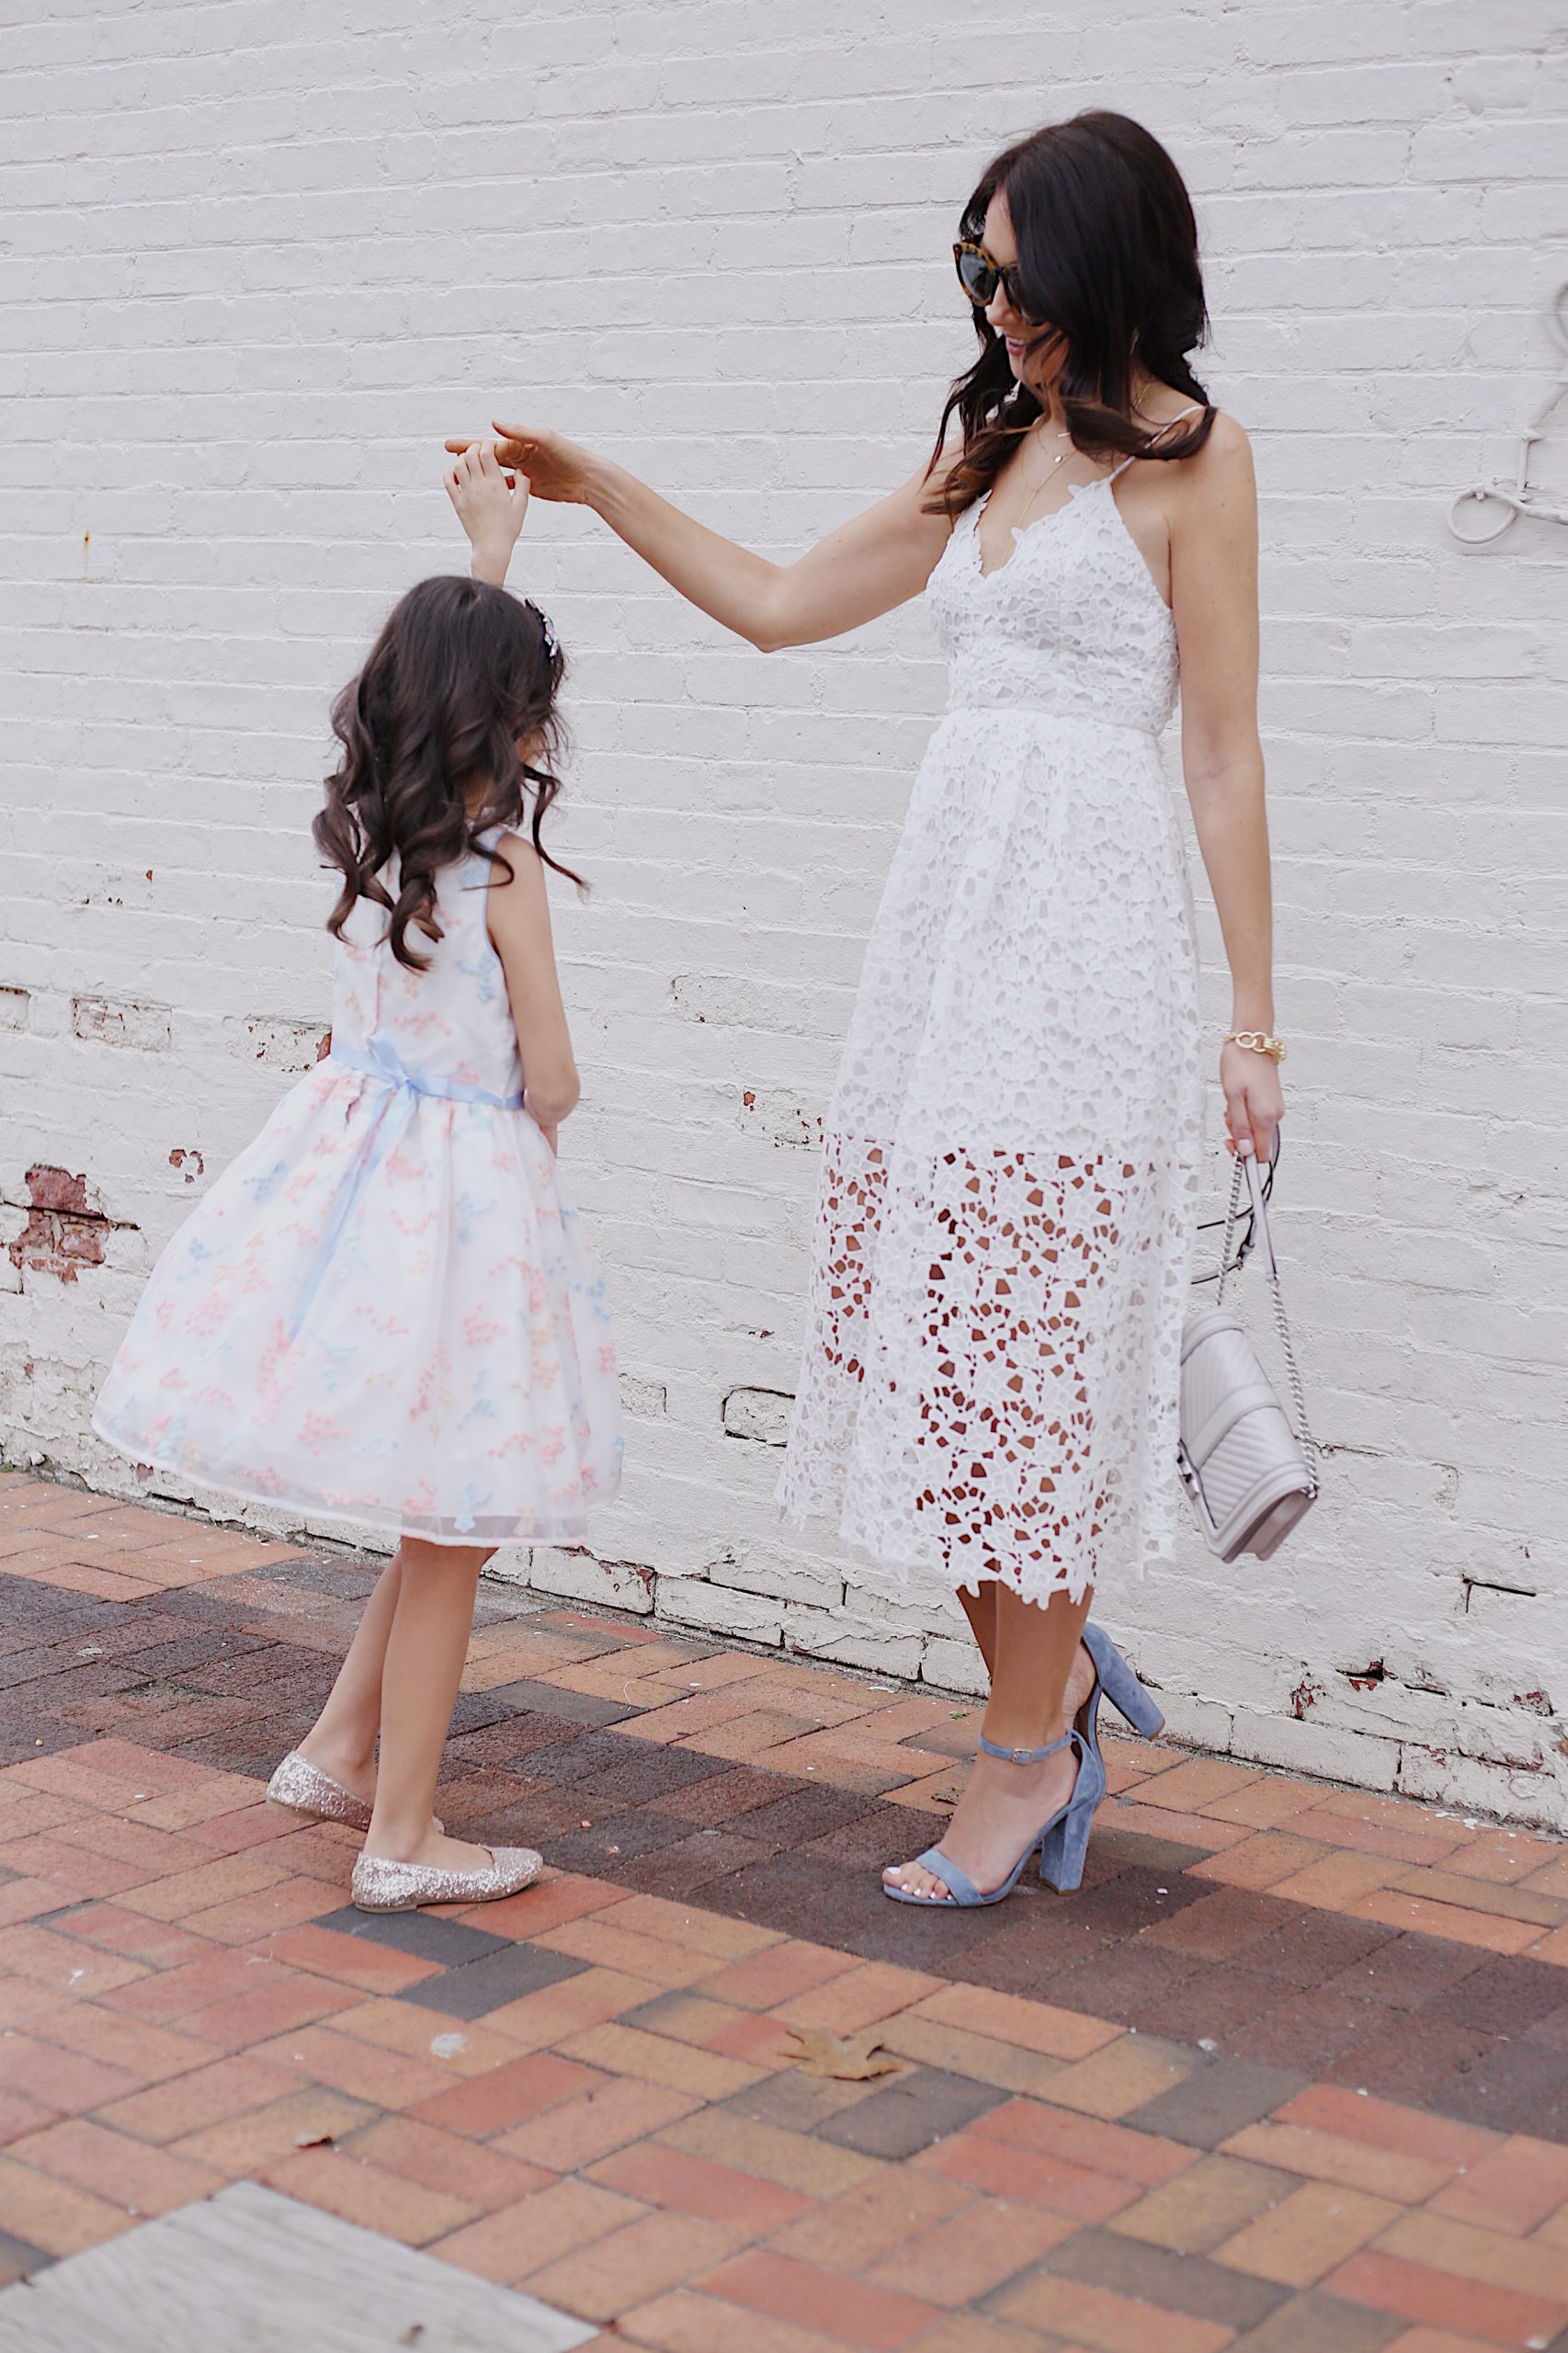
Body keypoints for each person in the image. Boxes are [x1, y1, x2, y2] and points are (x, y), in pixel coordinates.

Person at [448, 110, 1283, 1908]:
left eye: (1017, 272)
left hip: (1087, 949)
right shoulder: (987, 457)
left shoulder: (1192, 463)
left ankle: (1022, 1743)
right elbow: (770, 601)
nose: (992, 305)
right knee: (936, 1336)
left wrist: (1254, 1020)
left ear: (1100, 263)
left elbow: (1219, 750)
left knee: (1028, 1364)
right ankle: (1042, 1685)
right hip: (945, 951)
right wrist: (599, 489)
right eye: (970, 271)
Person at [94, 446, 622, 1911]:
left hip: (352, 1175)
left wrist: (488, 556)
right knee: (457, 1515)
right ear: (507, 723)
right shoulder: (501, 871)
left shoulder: (376, 839)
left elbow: (447, 666)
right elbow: (557, 1073)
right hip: (466, 1192)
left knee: (433, 1496)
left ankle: (336, 1750)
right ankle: (404, 1834)